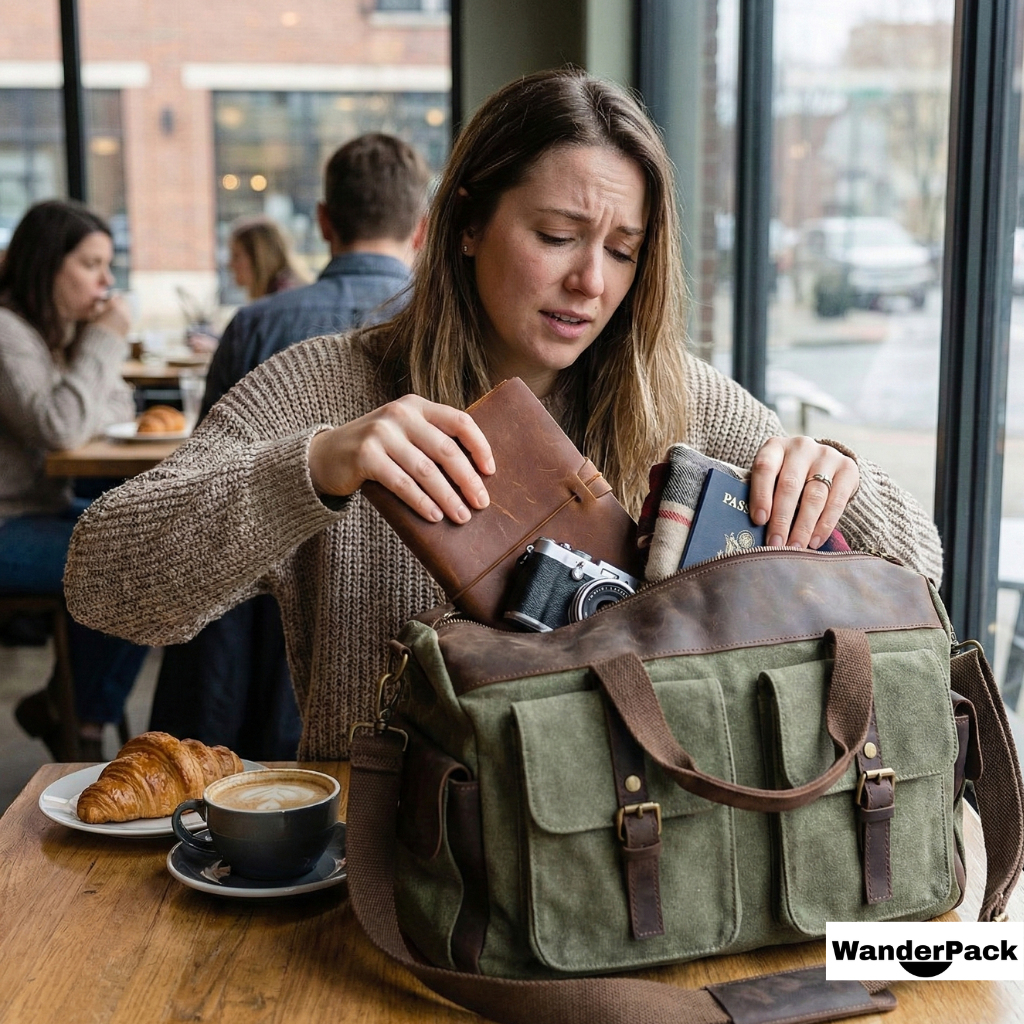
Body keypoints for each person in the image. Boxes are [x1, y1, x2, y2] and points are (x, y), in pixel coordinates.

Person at [64, 69, 943, 762]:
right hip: (391, 864)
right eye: (557, 236)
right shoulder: (327, 389)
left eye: (622, 251)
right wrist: (314, 468)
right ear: (468, 223)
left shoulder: (675, 395)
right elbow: (104, 583)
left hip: (632, 858)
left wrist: (836, 479)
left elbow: (920, 571)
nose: (591, 283)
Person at [148, 132, 432, 759]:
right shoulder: (444, 331)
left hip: (252, 636)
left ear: (325, 221)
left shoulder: (256, 325)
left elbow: (201, 478)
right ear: (422, 228)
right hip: (401, 647)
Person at [0, 199, 149, 760]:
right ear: (47, 263)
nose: (107, 281)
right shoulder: (6, 333)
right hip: (7, 522)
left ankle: (73, 708)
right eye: (91, 264)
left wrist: (92, 341)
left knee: (156, 538)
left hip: (38, 509)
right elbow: (63, 427)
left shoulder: (51, 335)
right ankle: (81, 718)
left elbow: (112, 410)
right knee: (129, 556)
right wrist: (106, 337)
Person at [187, 216, 308, 354]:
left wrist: (220, 351)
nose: (229, 264)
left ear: (260, 258)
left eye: (236, 256)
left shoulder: (273, 309)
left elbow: (267, 361)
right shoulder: (287, 294)